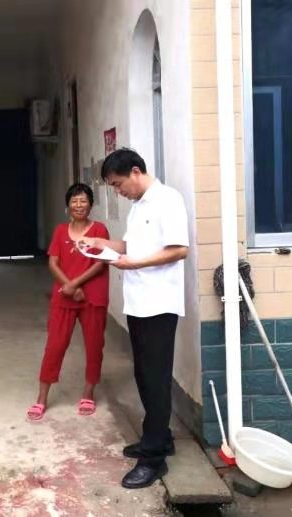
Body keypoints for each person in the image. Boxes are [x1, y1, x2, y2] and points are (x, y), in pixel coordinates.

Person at [79, 148, 188, 489]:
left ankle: (153, 459)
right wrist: (101, 243)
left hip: (159, 304)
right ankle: (160, 438)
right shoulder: (139, 206)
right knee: (143, 373)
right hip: (139, 303)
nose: (118, 191)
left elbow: (179, 249)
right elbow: (130, 246)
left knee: (155, 379)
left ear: (136, 172)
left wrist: (134, 264)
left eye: (118, 184)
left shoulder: (168, 200)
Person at [27, 183, 109, 421]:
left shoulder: (99, 230)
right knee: (55, 345)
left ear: (91, 204)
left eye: (83, 200)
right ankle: (41, 398)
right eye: (74, 201)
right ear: (68, 206)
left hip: (92, 296)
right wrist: (70, 287)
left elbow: (100, 263)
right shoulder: (61, 231)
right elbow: (53, 262)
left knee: (94, 345)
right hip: (64, 296)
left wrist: (76, 284)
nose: (79, 205)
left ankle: (88, 392)